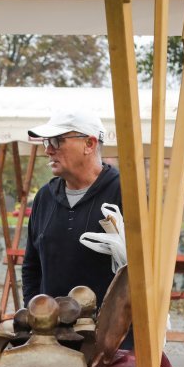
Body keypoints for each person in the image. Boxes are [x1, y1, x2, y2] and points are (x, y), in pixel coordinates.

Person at [21, 108, 123, 311]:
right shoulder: (44, 197)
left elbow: (143, 272)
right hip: (50, 335)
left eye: (57, 140)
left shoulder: (125, 194)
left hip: (110, 336)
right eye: (47, 142)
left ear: (89, 144)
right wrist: (36, 313)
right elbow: (31, 267)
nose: (48, 150)